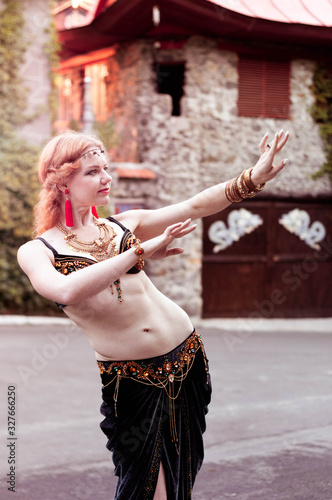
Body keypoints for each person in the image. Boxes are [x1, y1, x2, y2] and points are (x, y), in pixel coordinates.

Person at [17, 128, 289, 500]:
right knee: (144, 485)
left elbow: (194, 206)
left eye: (106, 168)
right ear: (63, 182)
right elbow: (66, 290)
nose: (106, 178)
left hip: (187, 356)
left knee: (181, 473)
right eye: (92, 172)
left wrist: (252, 179)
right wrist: (138, 253)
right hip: (133, 378)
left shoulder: (121, 225)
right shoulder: (38, 250)